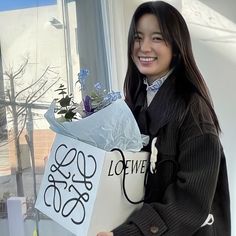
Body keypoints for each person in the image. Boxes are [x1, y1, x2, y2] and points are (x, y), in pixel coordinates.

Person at [97, 1, 231, 235]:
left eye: (157, 38)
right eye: (138, 38)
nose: (144, 47)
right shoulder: (134, 105)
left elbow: (189, 204)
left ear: (177, 47)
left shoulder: (194, 111)